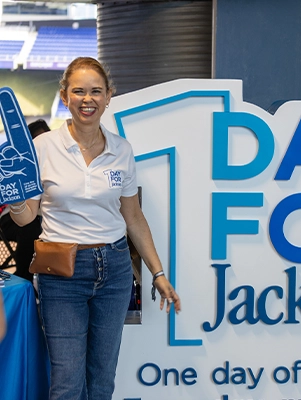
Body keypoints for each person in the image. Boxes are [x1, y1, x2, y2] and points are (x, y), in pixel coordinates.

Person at [9, 56, 181, 400]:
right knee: (68, 382)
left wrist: (158, 273)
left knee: (102, 381)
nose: (88, 99)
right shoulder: (41, 148)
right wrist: (14, 197)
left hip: (114, 270)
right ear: (64, 96)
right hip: (62, 274)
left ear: (109, 96)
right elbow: (26, 218)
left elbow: (133, 218)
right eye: (79, 91)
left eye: (96, 91)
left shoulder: (122, 150)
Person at [0, 119, 50, 282]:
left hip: (49, 219)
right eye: (37, 140)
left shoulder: (58, 162)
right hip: (15, 219)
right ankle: (25, 276)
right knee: (31, 227)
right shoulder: (18, 163)